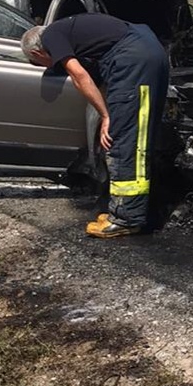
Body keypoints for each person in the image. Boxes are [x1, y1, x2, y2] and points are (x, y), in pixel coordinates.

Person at [21, 14, 169, 238]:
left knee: (124, 141)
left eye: (38, 64)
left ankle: (125, 219)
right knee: (138, 136)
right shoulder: (76, 34)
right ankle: (133, 210)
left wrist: (106, 115)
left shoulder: (51, 35)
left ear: (37, 53)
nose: (47, 67)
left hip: (133, 60)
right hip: (149, 49)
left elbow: (79, 76)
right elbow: (97, 77)